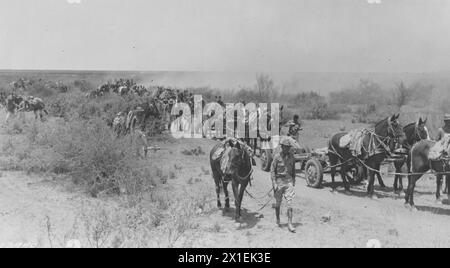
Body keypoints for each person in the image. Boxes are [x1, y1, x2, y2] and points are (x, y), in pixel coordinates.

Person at [270, 137, 296, 233]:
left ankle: (290, 223)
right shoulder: (277, 157)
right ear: (282, 147)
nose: (287, 149)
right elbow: (272, 170)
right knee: (278, 203)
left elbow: (293, 171)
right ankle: (277, 220)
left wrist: (293, 181)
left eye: (288, 147)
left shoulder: (292, 157)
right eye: (285, 147)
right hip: (279, 182)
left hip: (288, 181)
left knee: (290, 203)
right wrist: (274, 183)